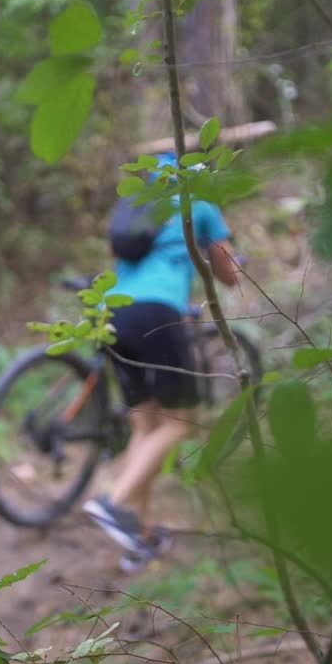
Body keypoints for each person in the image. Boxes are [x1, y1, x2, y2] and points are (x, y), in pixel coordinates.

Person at [82, 151, 242, 572]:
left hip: (110, 313)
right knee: (182, 421)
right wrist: (231, 269)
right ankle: (111, 504)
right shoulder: (199, 204)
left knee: (147, 425)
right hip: (156, 312)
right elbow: (226, 272)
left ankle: (142, 534)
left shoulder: (138, 205)